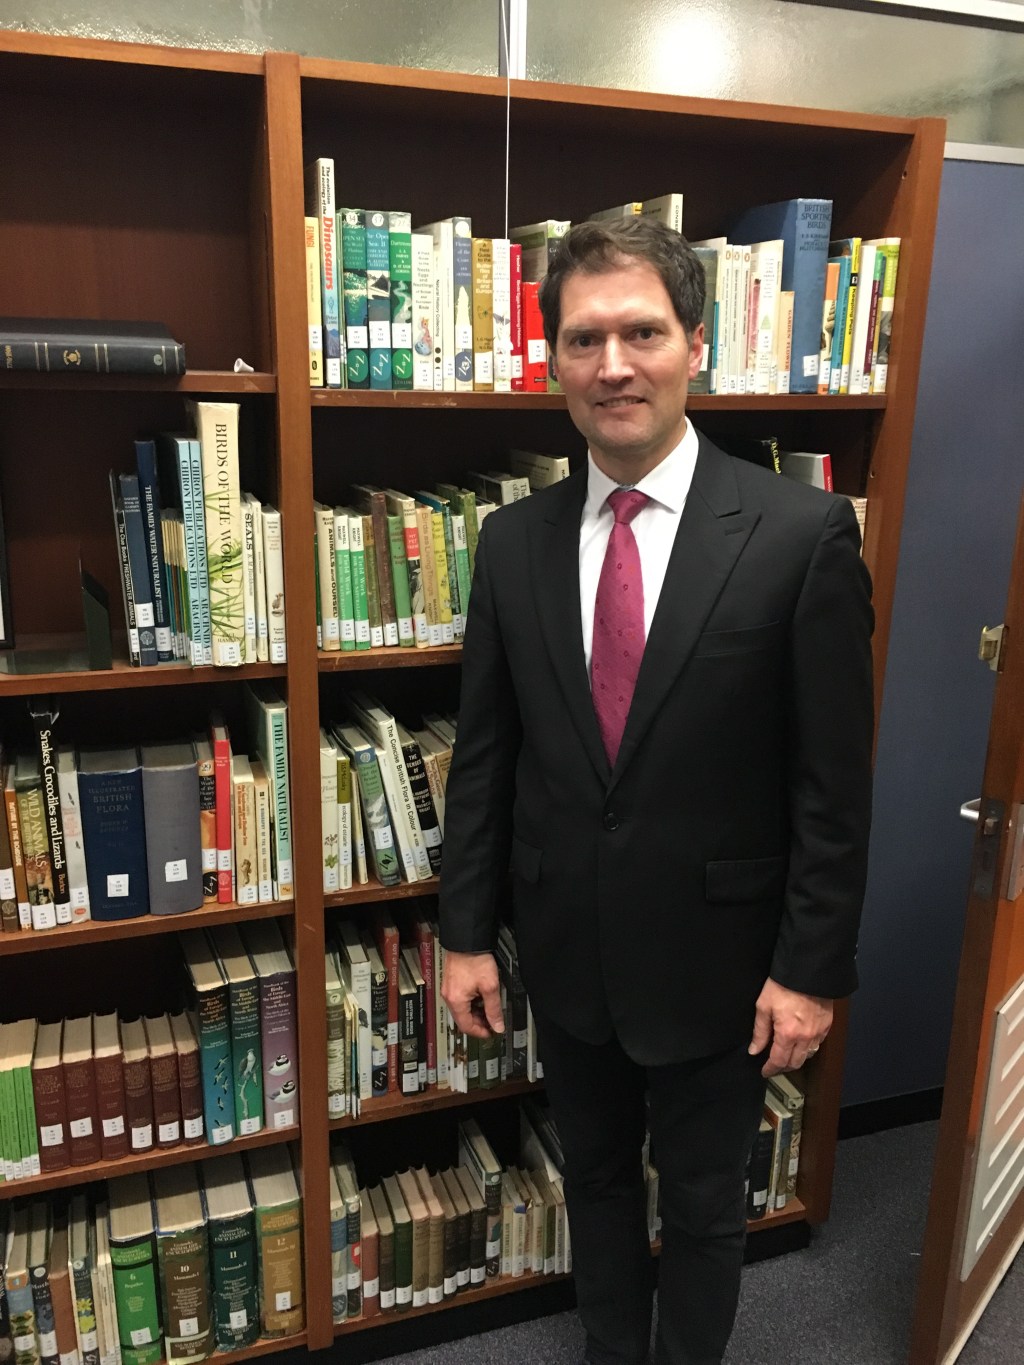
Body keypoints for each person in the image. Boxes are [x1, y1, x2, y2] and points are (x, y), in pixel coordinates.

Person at [438, 217, 874, 1365]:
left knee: (703, 1206)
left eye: (641, 332)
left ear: (695, 344)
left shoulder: (800, 535)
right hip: (568, 949)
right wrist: (463, 934)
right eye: (584, 340)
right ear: (554, 364)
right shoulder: (510, 543)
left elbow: (832, 783)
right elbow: (486, 756)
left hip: (724, 969)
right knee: (590, 1180)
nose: (612, 365)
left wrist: (809, 970)